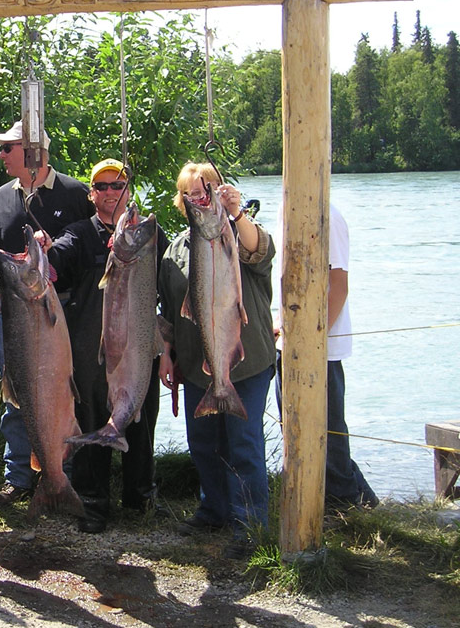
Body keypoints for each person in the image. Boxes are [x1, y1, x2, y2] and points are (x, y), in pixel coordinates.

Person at [157, 162, 276, 558]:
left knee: (244, 443)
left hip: (247, 359)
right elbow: (170, 309)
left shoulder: (235, 231)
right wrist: (166, 354)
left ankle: (251, 522)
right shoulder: (175, 248)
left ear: (221, 191)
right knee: (204, 443)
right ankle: (215, 509)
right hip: (195, 364)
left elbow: (260, 251)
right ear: (183, 201)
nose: (200, 196)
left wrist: (238, 212)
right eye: (192, 192)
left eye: (207, 188)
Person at [45, 159, 169, 533]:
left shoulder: (148, 232)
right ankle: (93, 503)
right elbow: (57, 259)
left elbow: (170, 284)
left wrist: (169, 347)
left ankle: (140, 498)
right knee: (93, 425)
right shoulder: (79, 234)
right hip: (90, 353)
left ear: (128, 190)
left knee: (141, 423)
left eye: (118, 185)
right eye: (103, 187)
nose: (111, 192)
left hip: (139, 349)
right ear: (92, 194)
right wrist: (44, 248)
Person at [0, 120, 92, 506]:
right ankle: (19, 477)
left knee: (64, 396)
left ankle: (65, 476)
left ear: (33, 153)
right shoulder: (1, 196)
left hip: (62, 318)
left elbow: (91, 247)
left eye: (6, 149)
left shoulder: (76, 193)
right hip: (15, 318)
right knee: (17, 395)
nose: (0, 155)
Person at [275, 203, 378, 512]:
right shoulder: (285, 211)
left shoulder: (329, 216)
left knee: (328, 431)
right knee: (293, 428)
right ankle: (327, 500)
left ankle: (344, 505)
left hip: (322, 350)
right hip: (287, 345)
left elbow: (339, 284)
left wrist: (314, 339)